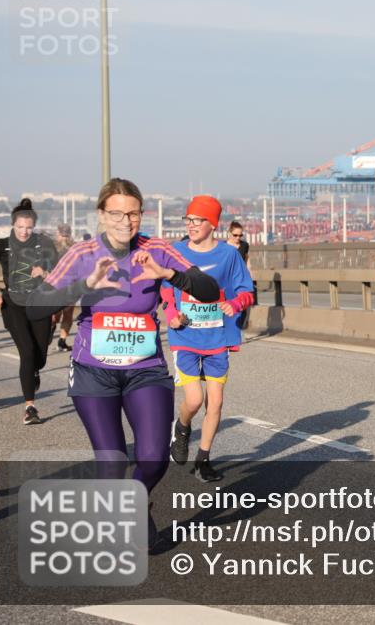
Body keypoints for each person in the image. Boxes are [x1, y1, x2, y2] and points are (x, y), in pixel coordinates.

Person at [26, 179, 219, 545]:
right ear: (102, 215)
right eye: (116, 213)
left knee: (153, 459)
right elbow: (36, 307)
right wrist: (85, 285)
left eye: (132, 213)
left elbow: (209, 291)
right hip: (92, 371)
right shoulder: (83, 253)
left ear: (141, 215)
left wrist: (170, 275)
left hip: (145, 370)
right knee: (112, 462)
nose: (125, 221)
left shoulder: (156, 248)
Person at [162, 197, 254, 482]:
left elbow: (246, 290)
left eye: (197, 220)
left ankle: (203, 460)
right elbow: (165, 288)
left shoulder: (229, 255)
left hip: (217, 338)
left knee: (215, 403)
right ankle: (183, 426)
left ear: (212, 224)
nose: (191, 225)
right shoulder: (176, 252)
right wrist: (172, 313)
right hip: (185, 336)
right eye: (188, 220)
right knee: (193, 399)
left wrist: (236, 304)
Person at [0, 199, 59, 424]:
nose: (24, 232)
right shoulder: (1, 245)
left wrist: (43, 272)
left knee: (39, 358)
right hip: (12, 305)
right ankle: (30, 408)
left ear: (34, 226)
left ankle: (34, 370)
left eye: (29, 227)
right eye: (20, 227)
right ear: (13, 224)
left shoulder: (44, 244)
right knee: (27, 352)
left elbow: (60, 272)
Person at [53, 223, 76, 352]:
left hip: (57, 285)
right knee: (66, 314)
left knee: (58, 314)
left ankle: (56, 338)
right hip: (68, 285)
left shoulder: (53, 247)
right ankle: (61, 341)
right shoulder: (75, 247)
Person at [225, 220, 253, 328]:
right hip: (227, 282)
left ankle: (239, 327)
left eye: (240, 235)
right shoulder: (223, 246)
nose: (238, 238)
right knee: (229, 305)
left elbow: (247, 262)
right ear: (229, 233)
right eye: (235, 235)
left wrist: (250, 278)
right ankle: (230, 329)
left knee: (242, 305)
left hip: (240, 280)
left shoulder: (244, 245)